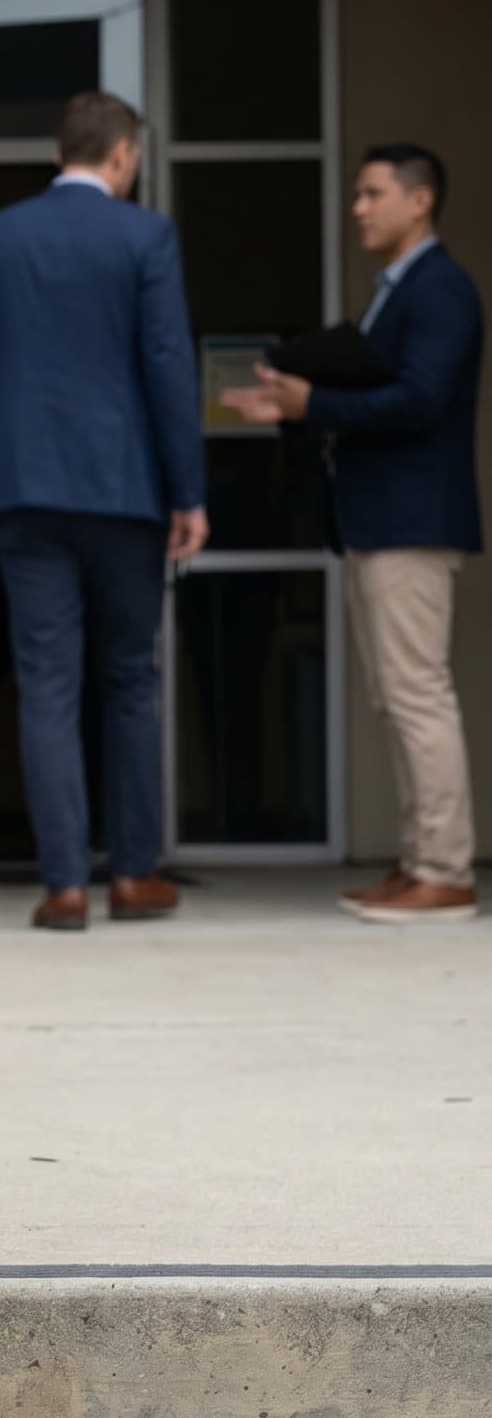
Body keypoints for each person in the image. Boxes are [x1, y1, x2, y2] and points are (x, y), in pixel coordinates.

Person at [0, 89, 207, 931]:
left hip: (20, 489)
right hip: (127, 493)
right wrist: (187, 491)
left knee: (47, 685)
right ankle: (131, 876)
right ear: (123, 155)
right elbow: (169, 368)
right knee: (131, 678)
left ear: (66, 151)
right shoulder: (145, 235)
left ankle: (63, 885)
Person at [225, 144, 482, 923]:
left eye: (373, 194)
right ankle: (420, 863)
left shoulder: (440, 290)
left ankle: (445, 869)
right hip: (382, 520)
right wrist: (301, 405)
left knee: (416, 694)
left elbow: (422, 401)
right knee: (397, 696)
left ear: (421, 199)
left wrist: (314, 404)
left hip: (410, 520)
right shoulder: (402, 289)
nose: (359, 208)